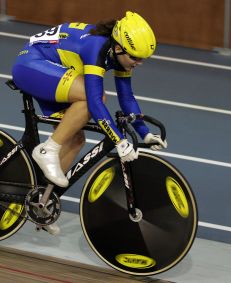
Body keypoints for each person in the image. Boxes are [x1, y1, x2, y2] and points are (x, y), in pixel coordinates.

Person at [12, 11, 167, 234]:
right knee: (93, 97)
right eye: (135, 57)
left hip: (52, 68)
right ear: (118, 47)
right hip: (31, 64)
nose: (139, 63)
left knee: (75, 140)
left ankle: (41, 203)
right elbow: (95, 103)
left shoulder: (120, 55)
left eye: (143, 59)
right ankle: (47, 150)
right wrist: (120, 141)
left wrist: (144, 133)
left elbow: (126, 98)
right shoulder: (96, 48)